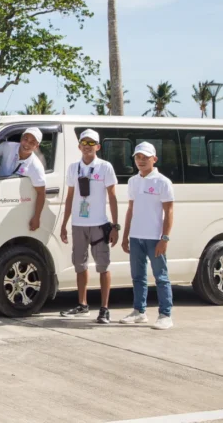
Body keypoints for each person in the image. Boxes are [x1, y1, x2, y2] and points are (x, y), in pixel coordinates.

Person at [59, 129, 120, 323]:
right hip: (78, 224)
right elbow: (70, 197)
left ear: (98, 147)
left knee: (103, 266)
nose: (87, 146)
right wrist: (64, 223)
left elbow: (112, 196)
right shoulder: (73, 168)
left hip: (99, 224)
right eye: (84, 142)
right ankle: (82, 304)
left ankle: (104, 308)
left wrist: (115, 226)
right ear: (79, 146)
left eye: (91, 143)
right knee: (80, 265)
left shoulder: (105, 167)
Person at [120, 142, 175, 330]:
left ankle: (165, 314)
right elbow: (130, 209)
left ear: (154, 159)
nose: (141, 161)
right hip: (136, 237)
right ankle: (139, 312)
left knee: (161, 276)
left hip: (155, 238)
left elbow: (169, 212)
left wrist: (164, 238)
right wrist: (125, 235)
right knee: (138, 276)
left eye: (145, 157)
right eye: (138, 157)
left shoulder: (162, 182)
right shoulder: (133, 181)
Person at [0, 127, 47, 231]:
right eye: (25, 139)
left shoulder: (36, 167)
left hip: (13, 202)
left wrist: (37, 217)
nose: (27, 144)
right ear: (21, 139)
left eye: (32, 142)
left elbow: (41, 193)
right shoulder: (7, 147)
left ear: (36, 146)